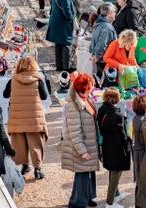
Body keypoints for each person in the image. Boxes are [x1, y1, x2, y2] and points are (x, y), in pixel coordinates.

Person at [4, 56, 49, 180]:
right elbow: (45, 96)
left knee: (20, 144)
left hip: (17, 118)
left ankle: (24, 166)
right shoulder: (38, 80)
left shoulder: (13, 80)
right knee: (36, 144)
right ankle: (38, 169)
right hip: (34, 118)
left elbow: (5, 94)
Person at [61, 73, 100, 208]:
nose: (93, 87)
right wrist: (82, 151)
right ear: (85, 88)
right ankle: (77, 202)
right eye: (91, 85)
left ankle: (87, 198)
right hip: (81, 145)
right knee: (82, 174)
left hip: (89, 143)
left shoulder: (85, 98)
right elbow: (74, 131)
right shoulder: (73, 105)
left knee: (88, 172)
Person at [97, 87, 131, 208]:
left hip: (106, 144)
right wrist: (127, 146)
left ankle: (116, 194)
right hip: (117, 148)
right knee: (116, 173)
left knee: (112, 170)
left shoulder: (101, 109)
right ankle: (110, 202)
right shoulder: (117, 115)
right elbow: (122, 135)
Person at [46, 0, 77, 71]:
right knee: (66, 44)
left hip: (55, 22)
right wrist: (72, 19)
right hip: (63, 24)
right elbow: (68, 13)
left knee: (58, 44)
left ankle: (59, 66)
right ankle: (66, 68)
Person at [92, 3, 118, 78]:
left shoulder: (99, 23)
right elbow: (102, 44)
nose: (115, 14)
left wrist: (95, 55)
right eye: (114, 12)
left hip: (100, 59)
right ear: (109, 14)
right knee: (104, 81)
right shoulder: (107, 27)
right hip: (104, 61)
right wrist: (97, 56)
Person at [131, 93, 146, 182]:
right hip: (142, 151)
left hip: (137, 150)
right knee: (144, 179)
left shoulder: (135, 118)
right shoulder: (144, 120)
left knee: (139, 177)